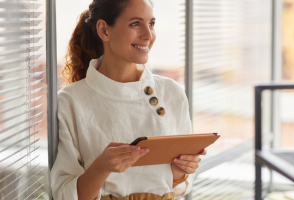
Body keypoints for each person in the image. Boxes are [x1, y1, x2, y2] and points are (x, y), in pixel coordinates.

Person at [50, 0, 207, 199]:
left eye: (151, 24)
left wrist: (180, 170)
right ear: (104, 30)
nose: (148, 35)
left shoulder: (171, 92)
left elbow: (179, 186)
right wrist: (101, 167)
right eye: (135, 23)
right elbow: (64, 194)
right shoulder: (70, 101)